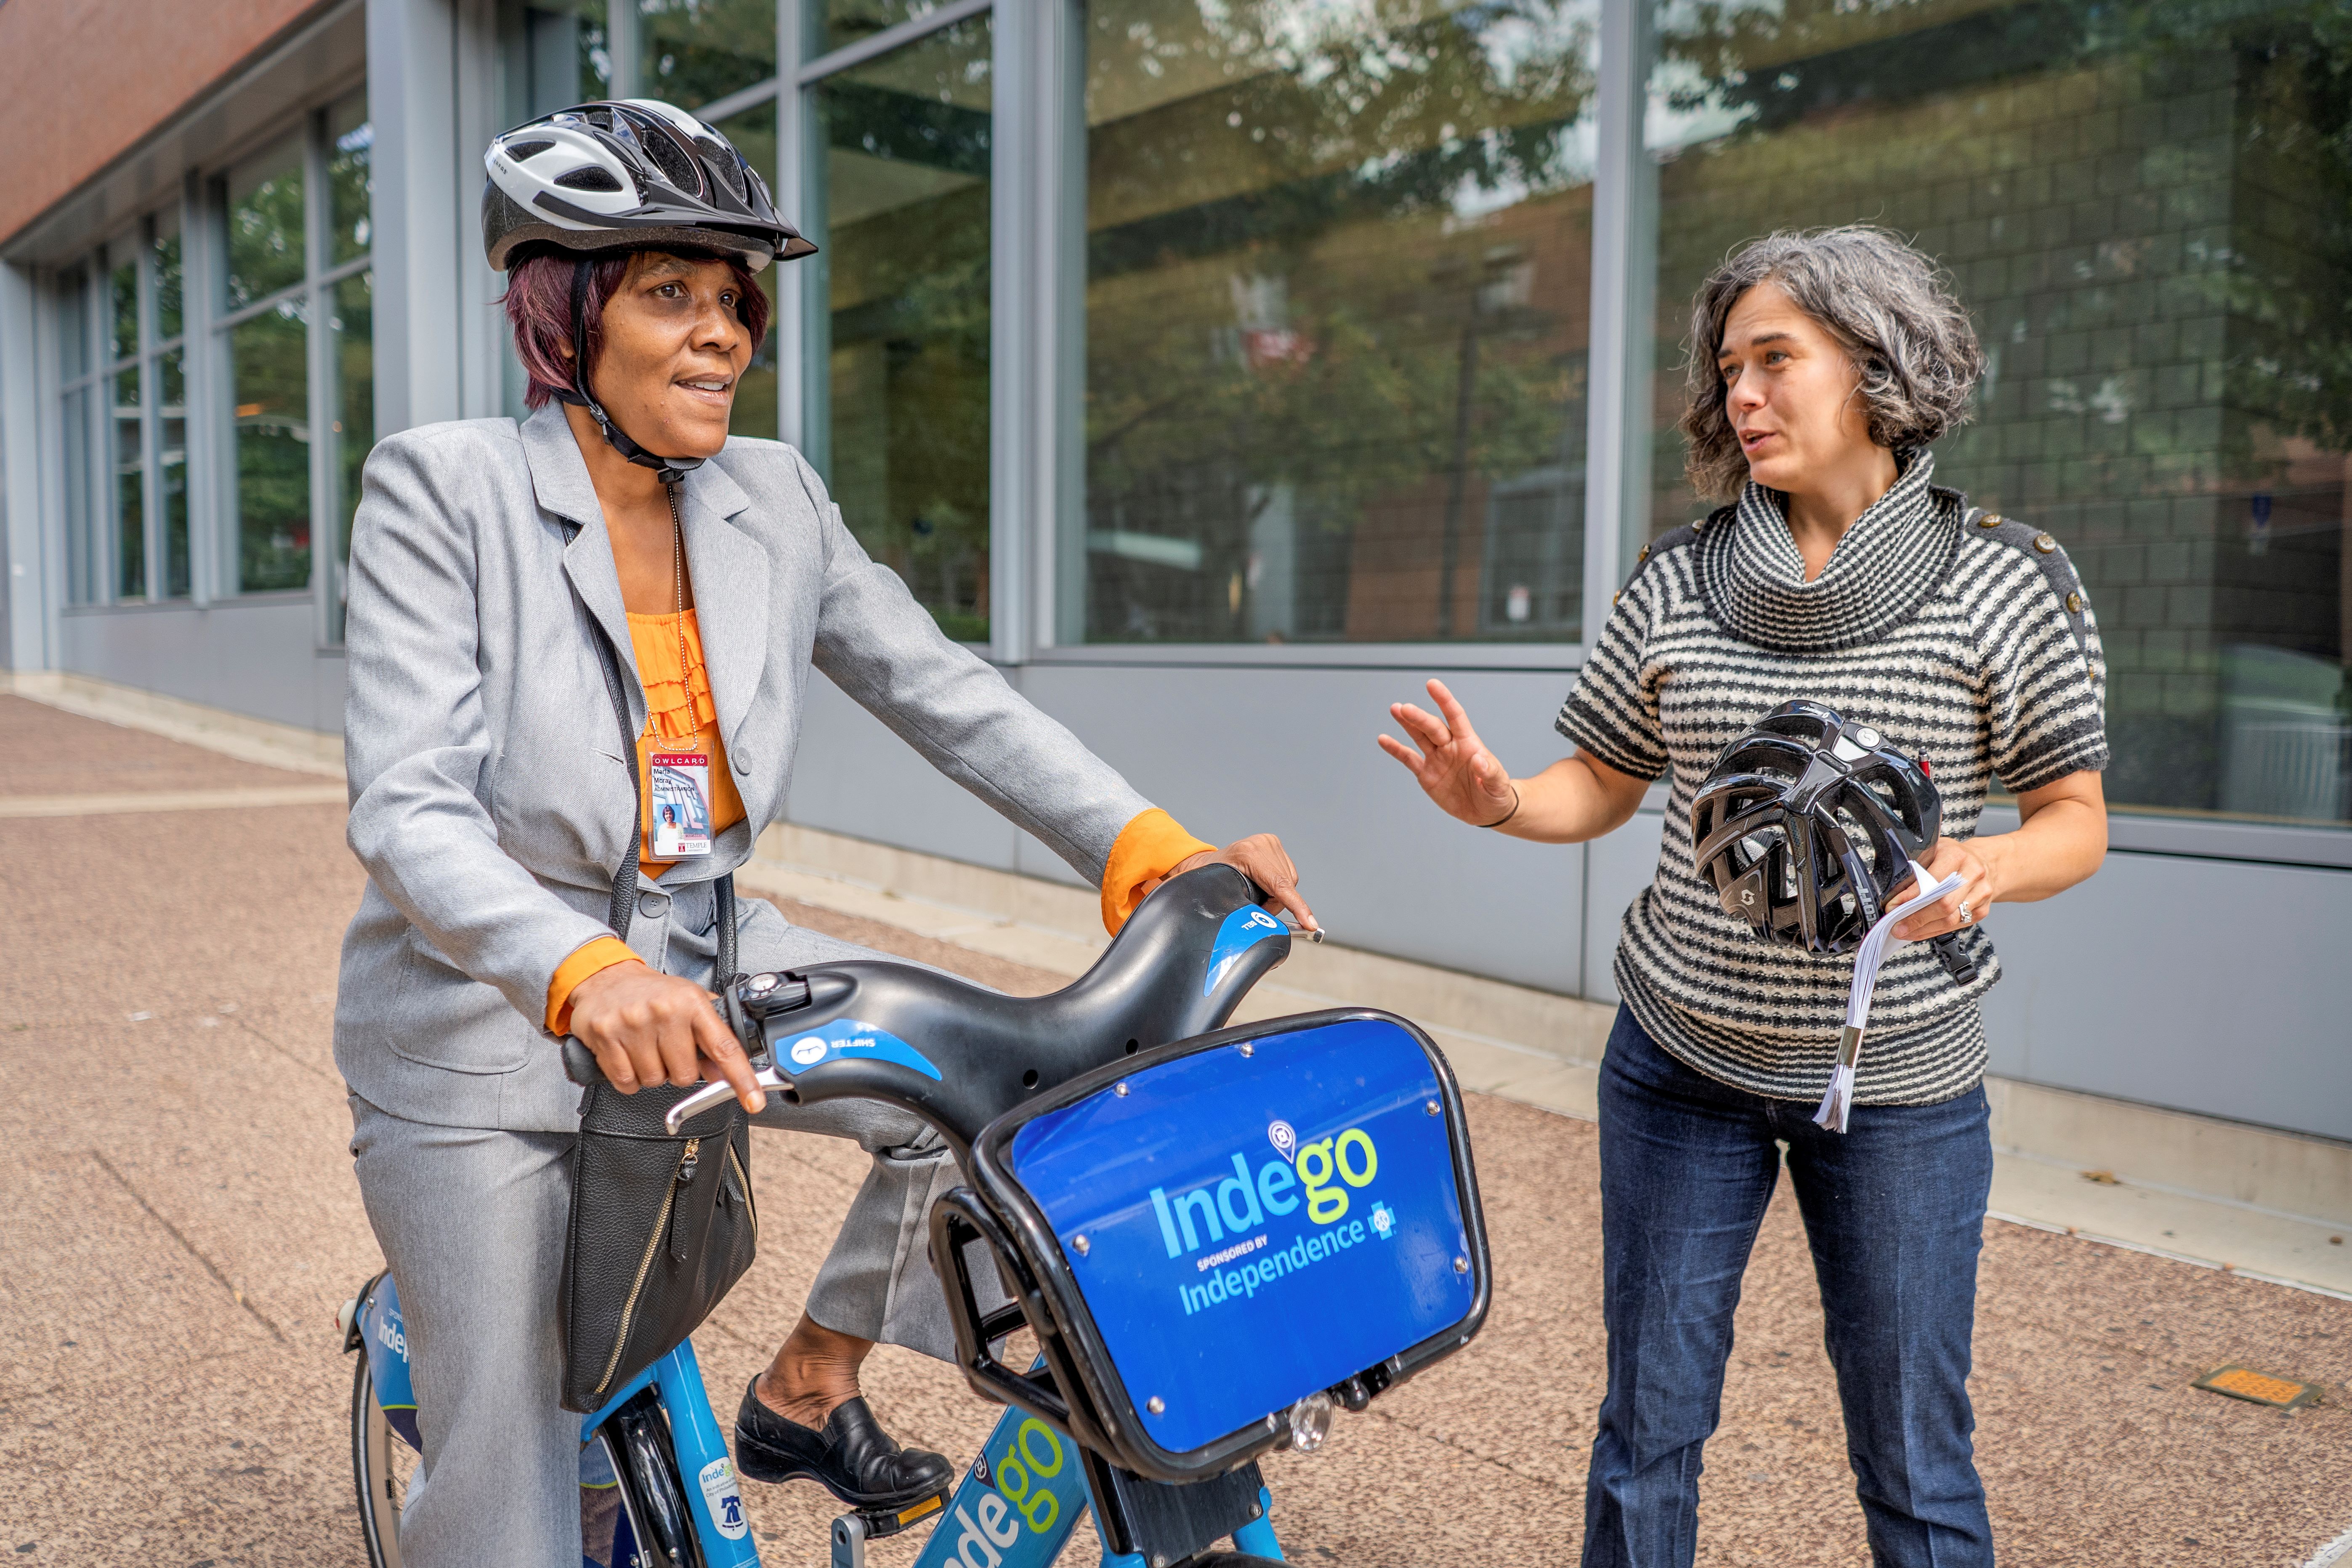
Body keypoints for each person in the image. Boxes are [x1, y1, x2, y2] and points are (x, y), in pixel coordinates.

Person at [337, 99, 1316, 1567]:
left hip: (717, 946)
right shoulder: (445, 489)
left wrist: (1150, 849)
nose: (723, 331)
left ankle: (804, 1385)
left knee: (987, 1117)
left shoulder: (773, 497)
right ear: (568, 315)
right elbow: (410, 803)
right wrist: (583, 972)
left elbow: (947, 692)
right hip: (491, 1008)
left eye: (737, 300)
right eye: (672, 292)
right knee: (513, 1466)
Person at [1379, 226, 2107, 1567]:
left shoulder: (2006, 583)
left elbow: (2076, 818)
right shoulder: (1681, 578)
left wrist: (1992, 864)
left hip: (1898, 1085)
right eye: (1729, 372)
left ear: (1878, 366)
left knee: (1912, 1443)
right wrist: (1501, 801)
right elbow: (1599, 780)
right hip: (1679, 1063)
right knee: (1647, 1427)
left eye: (1777, 361)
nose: (1742, 399)